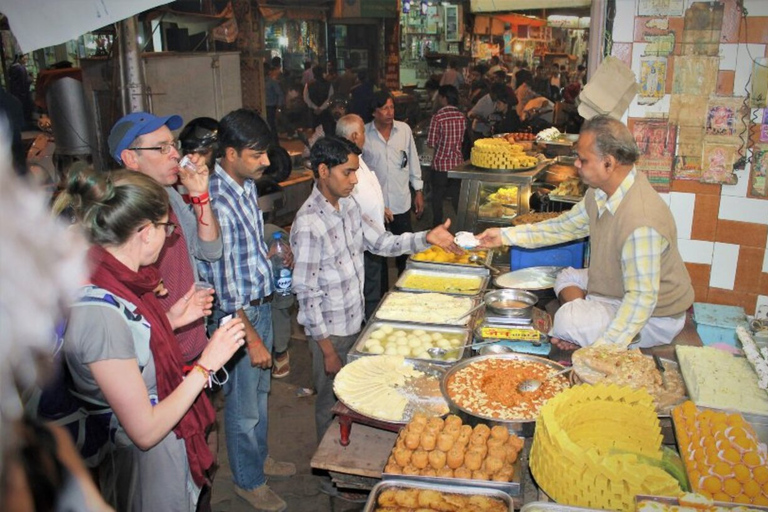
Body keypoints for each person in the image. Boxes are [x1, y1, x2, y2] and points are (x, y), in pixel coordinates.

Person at [59, 167, 246, 511]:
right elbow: (144, 430)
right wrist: (206, 367)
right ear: (145, 232)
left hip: (161, 452)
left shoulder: (120, 279)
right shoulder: (99, 312)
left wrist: (171, 320)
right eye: (166, 227)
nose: (169, 235)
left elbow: (131, 347)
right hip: (144, 463)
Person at [290, 136, 459, 444]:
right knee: (330, 404)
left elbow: (380, 243)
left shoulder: (348, 205)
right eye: (347, 172)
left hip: (356, 321)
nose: (355, 180)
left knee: (355, 397)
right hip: (331, 332)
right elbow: (306, 294)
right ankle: (329, 473)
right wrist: (327, 351)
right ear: (324, 171)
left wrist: (425, 239)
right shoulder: (308, 224)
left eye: (356, 171)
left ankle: (349, 448)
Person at [476, 116, 694, 350]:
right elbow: (563, 226)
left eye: (583, 159)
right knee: (564, 276)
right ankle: (586, 318)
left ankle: (583, 321)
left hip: (656, 318)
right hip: (618, 285)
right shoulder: (601, 192)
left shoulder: (640, 222)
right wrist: (504, 236)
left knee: (567, 320)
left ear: (608, 163)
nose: (576, 165)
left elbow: (641, 300)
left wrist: (602, 351)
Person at [198, 108, 294, 512]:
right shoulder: (216, 199)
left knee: (259, 393)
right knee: (242, 409)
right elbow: (223, 285)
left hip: (260, 305)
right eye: (257, 155)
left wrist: (274, 250)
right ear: (231, 153)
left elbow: (245, 253)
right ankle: (247, 480)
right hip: (239, 320)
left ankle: (258, 456)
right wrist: (251, 337)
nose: (266, 162)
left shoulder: (245, 187)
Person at [109, 112, 222, 364]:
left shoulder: (170, 196)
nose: (175, 155)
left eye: (173, 145)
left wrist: (200, 195)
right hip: (156, 349)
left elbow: (210, 251)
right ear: (130, 158)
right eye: (162, 148)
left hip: (191, 336)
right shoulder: (124, 215)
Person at [363, 91, 425, 275]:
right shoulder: (364, 134)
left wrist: (418, 191)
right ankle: (380, 295)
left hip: (401, 202)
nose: (390, 112)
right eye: (384, 108)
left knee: (405, 252)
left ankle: (404, 287)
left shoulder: (404, 130)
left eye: (392, 107)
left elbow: (413, 160)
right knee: (377, 255)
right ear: (374, 112)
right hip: (375, 207)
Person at [336, 114, 387, 319]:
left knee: (375, 285)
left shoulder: (357, 158)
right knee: (368, 289)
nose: (365, 137)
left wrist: (381, 208)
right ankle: (366, 326)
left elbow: (365, 193)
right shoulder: (342, 163)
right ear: (355, 135)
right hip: (362, 241)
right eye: (364, 133)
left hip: (375, 234)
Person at [427, 85, 464, 226]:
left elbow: (431, 142)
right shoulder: (461, 116)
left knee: (437, 196)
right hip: (457, 164)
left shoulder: (438, 117)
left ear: (443, 98)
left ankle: (437, 225)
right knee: (456, 197)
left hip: (441, 164)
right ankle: (462, 224)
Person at [304, 64, 335, 136]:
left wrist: (315, 107)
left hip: (313, 111)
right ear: (322, 72)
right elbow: (330, 97)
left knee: (315, 132)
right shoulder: (328, 84)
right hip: (325, 111)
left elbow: (306, 98)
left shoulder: (308, 84)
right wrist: (322, 108)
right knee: (326, 129)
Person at [8, 54, 33, 128]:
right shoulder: (21, 68)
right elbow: (24, 82)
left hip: (15, 93)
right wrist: (30, 79)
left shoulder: (11, 68)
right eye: (25, 59)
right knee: (25, 110)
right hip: (22, 93)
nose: (25, 61)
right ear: (20, 58)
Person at [265, 64, 285, 139]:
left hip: (271, 106)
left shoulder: (272, 82)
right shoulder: (266, 81)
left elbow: (280, 94)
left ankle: (274, 141)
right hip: (267, 105)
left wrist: (278, 107)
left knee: (271, 124)